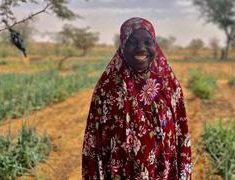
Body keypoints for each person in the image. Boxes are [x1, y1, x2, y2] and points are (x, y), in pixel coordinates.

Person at [82, 17, 192, 180]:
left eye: (148, 42)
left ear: (155, 45)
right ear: (123, 45)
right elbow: (93, 141)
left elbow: (181, 134)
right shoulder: (107, 87)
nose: (141, 48)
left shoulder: (169, 86)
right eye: (133, 42)